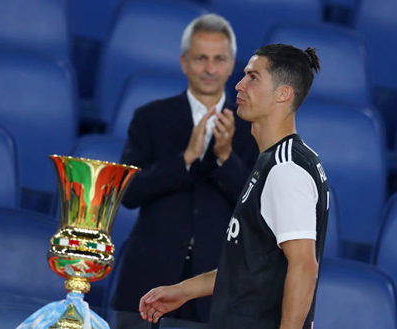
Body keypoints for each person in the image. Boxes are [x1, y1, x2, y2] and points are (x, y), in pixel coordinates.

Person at [139, 44, 329, 329]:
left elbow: (304, 266)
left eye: (253, 77)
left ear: (283, 93)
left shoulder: (285, 169)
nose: (239, 85)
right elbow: (249, 266)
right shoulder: (276, 160)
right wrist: (183, 290)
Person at [111, 14, 259, 322]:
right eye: (200, 58)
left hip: (216, 287)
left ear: (232, 65)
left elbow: (258, 208)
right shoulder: (149, 118)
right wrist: (185, 159)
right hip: (147, 276)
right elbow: (128, 194)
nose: (210, 69)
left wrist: (224, 158)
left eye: (219, 59)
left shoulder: (253, 129)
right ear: (184, 62)